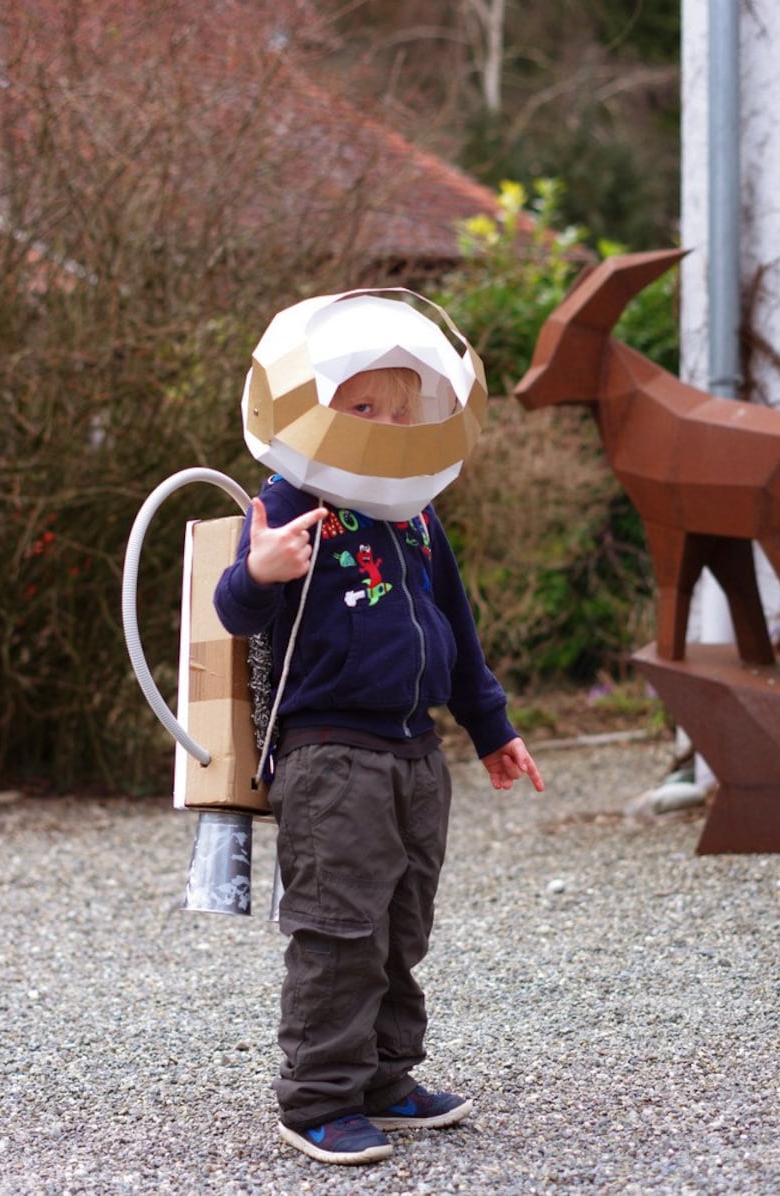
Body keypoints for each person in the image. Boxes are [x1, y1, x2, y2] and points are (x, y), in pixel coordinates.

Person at [214, 365, 544, 1167]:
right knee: (339, 925)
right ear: (317, 413)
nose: (384, 424)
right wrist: (261, 570)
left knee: (403, 920)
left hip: (415, 751)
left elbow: (457, 633)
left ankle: (385, 1077)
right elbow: (232, 609)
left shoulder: (417, 515)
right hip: (331, 753)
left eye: (400, 412)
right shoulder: (288, 502)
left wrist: (490, 726)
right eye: (362, 407)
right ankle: (320, 1097)